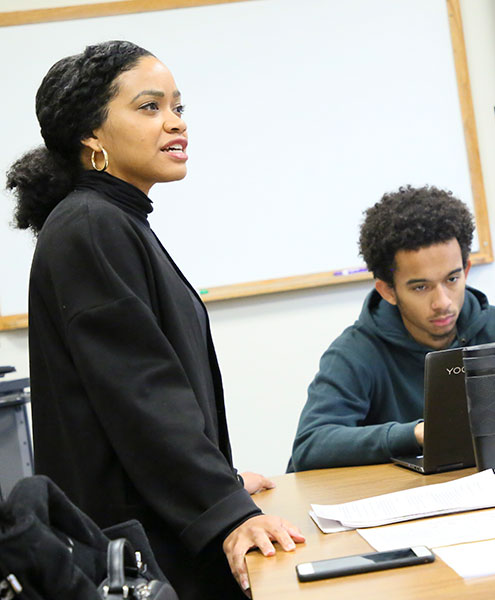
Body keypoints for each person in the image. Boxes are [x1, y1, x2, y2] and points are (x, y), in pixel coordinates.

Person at [6, 40, 304, 600]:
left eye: (178, 107)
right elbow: (141, 394)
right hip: (140, 551)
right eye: (149, 107)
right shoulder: (92, 225)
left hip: (156, 525)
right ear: (91, 135)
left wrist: (223, 482)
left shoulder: (113, 220)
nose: (174, 123)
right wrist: (225, 511)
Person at [288, 185, 495, 472]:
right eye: (420, 287)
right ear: (388, 291)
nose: (442, 302)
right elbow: (310, 445)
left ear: (466, 271)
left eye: (452, 279)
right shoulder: (354, 352)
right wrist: (416, 433)